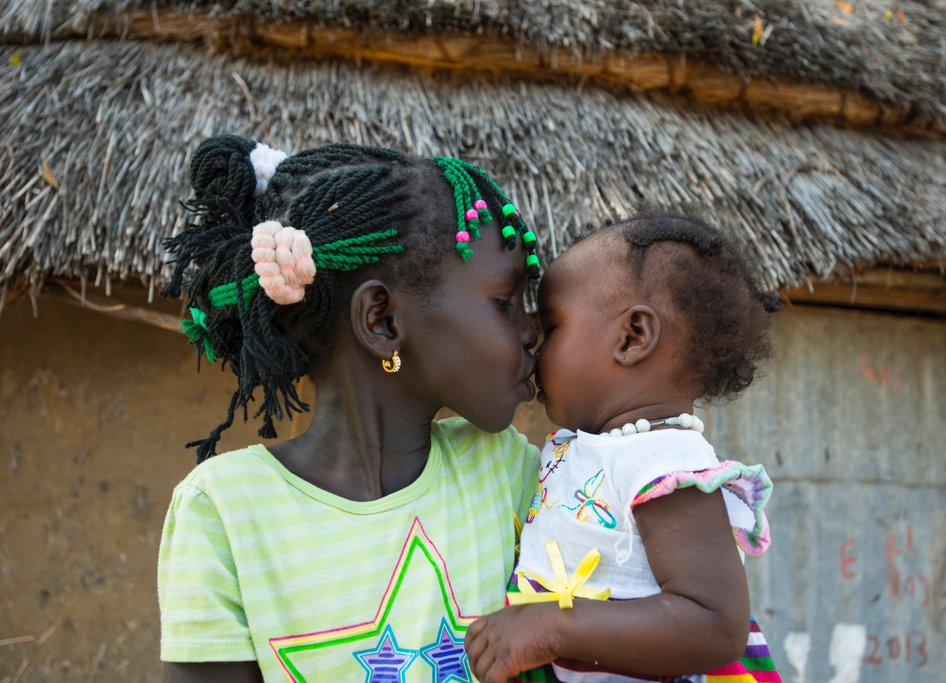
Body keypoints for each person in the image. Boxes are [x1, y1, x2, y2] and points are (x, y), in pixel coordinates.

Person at [157, 134, 544, 682]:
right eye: (505, 303)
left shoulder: (509, 471)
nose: (531, 331)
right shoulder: (225, 512)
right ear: (381, 321)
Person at [465, 214, 782, 683]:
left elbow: (715, 625)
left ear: (633, 336)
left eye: (552, 327)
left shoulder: (664, 462)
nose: (532, 341)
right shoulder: (593, 448)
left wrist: (552, 627)